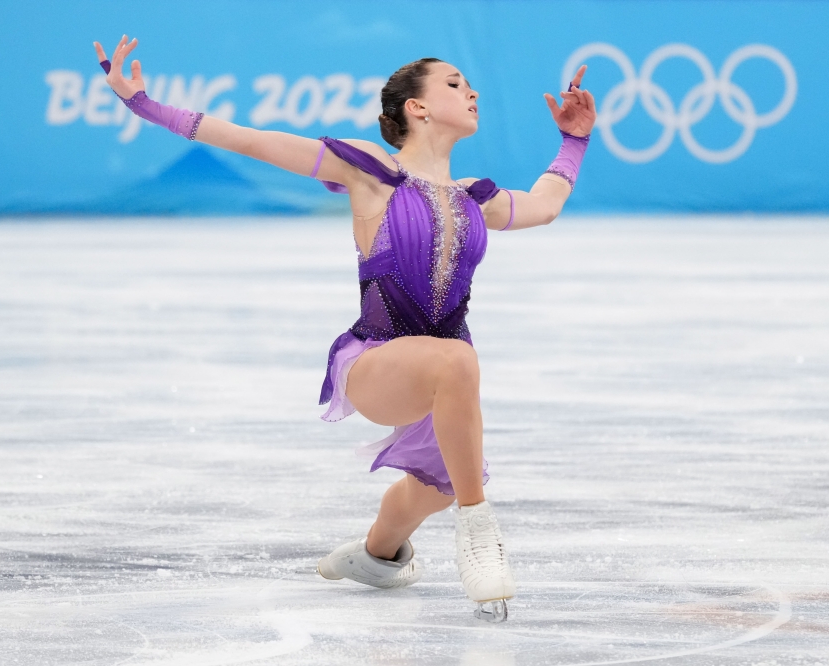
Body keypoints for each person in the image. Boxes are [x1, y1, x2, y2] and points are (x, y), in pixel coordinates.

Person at [93, 35, 596, 622]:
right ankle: (480, 535)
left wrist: (574, 139)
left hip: (440, 378)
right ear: (418, 107)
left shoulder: (474, 200)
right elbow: (254, 141)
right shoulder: (372, 172)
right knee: (458, 361)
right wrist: (146, 105)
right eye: (455, 84)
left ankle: (375, 556)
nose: (472, 90)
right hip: (376, 364)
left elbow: (546, 203)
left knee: (433, 484)